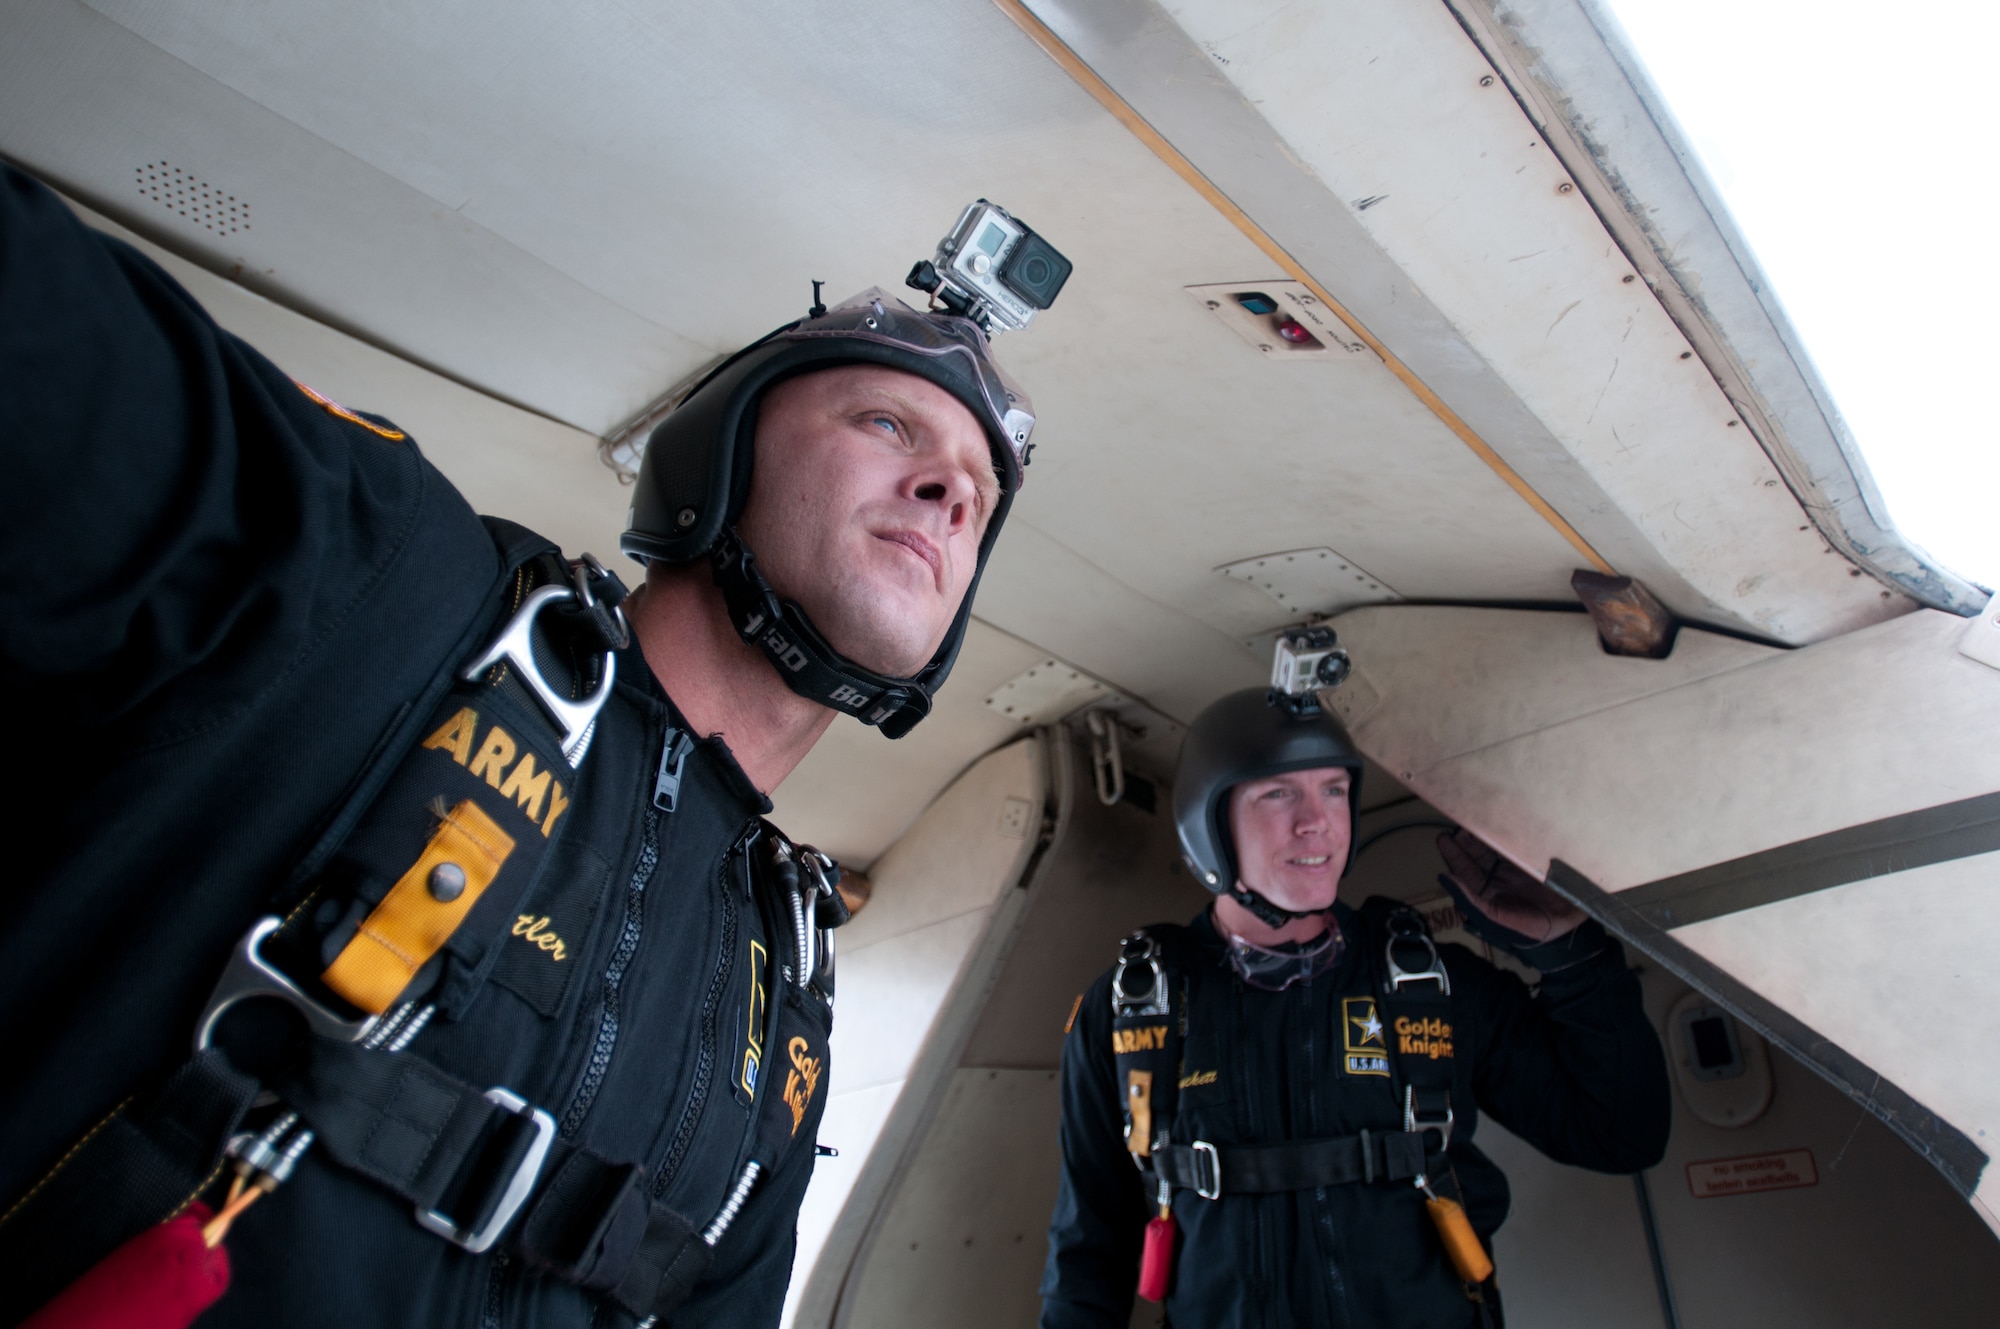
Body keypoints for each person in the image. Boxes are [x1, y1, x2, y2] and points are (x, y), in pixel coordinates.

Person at [0, 162, 1042, 1327]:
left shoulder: (786, 999)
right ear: (718, 459)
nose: (953, 490)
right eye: (888, 421)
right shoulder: (388, 597)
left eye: (980, 499)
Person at [1040, 687, 1671, 1328]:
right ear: (1209, 825)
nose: (1317, 821)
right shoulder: (1129, 1013)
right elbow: (1088, 1252)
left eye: (1335, 790)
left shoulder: (1433, 985)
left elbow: (1620, 1135)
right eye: (1278, 794)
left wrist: (1572, 959)